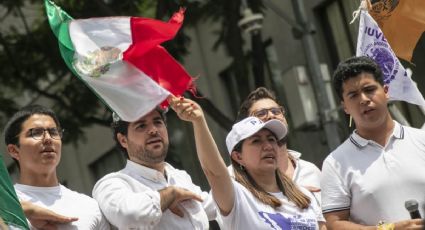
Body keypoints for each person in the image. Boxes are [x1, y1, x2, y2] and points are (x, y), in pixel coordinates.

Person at [169, 96, 326, 230]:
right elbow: (214, 172)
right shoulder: (237, 197)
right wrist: (199, 121)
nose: (268, 146)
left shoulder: (305, 195)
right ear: (238, 157)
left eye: (271, 139)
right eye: (256, 141)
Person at [321, 56, 425, 229]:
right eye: (353, 95)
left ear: (386, 91)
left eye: (369, 89)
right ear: (345, 106)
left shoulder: (421, 140)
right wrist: (385, 229)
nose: (364, 99)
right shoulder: (335, 163)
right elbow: (334, 224)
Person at [92, 106, 216, 229]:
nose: (153, 130)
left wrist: (199, 120)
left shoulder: (179, 176)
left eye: (157, 122)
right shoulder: (111, 184)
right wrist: (170, 194)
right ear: (123, 140)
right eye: (141, 126)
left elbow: (216, 207)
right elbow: (128, 216)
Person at [4, 105, 110, 229]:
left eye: (53, 132)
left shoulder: (89, 206)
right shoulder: (5, 205)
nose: (48, 139)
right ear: (14, 150)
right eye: (36, 133)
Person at [237, 87, 322, 204]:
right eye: (261, 113)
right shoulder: (234, 177)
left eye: (276, 111)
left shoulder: (311, 170)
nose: (271, 115)